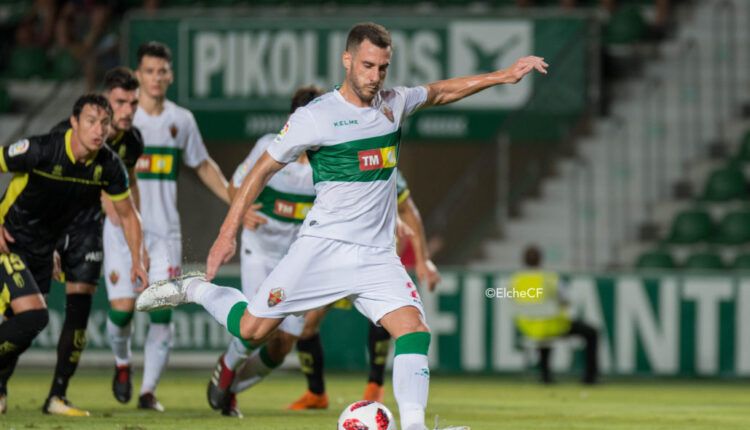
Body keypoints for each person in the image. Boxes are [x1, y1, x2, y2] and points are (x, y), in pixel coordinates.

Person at [137, 22, 546, 430]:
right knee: (253, 329)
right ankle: (192, 287)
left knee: (414, 332)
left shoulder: (393, 104)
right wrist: (227, 232)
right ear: (347, 60)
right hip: (321, 248)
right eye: (368, 66)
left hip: (376, 257)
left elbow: (440, 91)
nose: (375, 77)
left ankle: (416, 427)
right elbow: (260, 171)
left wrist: (503, 75)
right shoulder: (315, 117)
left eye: (383, 68)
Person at [0, 94, 148, 416]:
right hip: (9, 242)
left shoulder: (109, 165)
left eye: (104, 124)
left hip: (41, 248)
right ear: (74, 122)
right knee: (33, 317)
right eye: (91, 122)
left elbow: (128, 214)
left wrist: (137, 259)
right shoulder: (42, 148)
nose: (98, 130)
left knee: (24, 324)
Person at [206, 85, 323, 418]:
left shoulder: (328, 160)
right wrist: (241, 212)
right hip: (260, 251)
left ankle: (228, 387)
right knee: (257, 328)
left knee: (282, 344)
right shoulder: (271, 146)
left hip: (297, 260)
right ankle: (228, 368)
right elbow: (235, 185)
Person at [126, 41, 230, 412]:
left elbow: (202, 164)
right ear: (138, 75)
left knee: (163, 307)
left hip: (165, 233)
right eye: (149, 71)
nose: (156, 78)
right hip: (123, 230)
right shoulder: (124, 117)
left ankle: (148, 390)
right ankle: (123, 363)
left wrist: (234, 198)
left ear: (170, 75)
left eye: (162, 71)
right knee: (122, 311)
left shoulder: (180, 119)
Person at [289, 171, 441, 410]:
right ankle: (316, 393)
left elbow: (408, 210)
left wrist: (423, 260)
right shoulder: (322, 166)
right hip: (332, 257)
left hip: (372, 256)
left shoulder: (382, 164)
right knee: (306, 325)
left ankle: (375, 384)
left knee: (385, 316)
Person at [46, 67, 144, 415]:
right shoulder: (66, 135)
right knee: (23, 312)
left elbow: (129, 193)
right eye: (121, 102)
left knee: (79, 311)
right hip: (47, 224)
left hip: (90, 229)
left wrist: (138, 249)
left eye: (134, 103)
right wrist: (50, 240)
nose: (128, 111)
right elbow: (40, 186)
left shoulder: (132, 141)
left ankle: (57, 395)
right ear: (105, 101)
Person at [509, 245, 599, 384]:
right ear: (541, 260)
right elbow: (566, 300)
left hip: (528, 327)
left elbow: (512, 302)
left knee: (542, 335)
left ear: (523, 260)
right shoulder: (549, 278)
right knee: (591, 332)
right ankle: (590, 377)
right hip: (553, 326)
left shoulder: (515, 280)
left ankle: (545, 376)